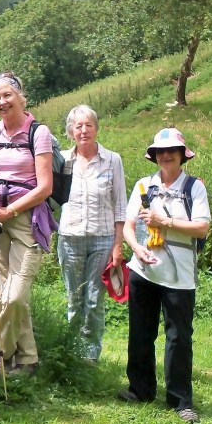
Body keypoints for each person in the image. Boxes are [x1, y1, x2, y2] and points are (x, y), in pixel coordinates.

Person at [0, 71, 58, 376]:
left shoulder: (39, 133)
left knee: (13, 296)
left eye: (7, 95)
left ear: (21, 97)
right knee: (9, 294)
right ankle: (28, 360)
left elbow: (45, 187)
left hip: (28, 221)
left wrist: (10, 211)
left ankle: (2, 358)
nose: (2, 102)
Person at [119, 127, 210, 424]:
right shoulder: (143, 185)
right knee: (140, 334)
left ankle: (181, 401)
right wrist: (136, 249)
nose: (166, 155)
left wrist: (165, 221)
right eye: (161, 151)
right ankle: (140, 390)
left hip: (180, 276)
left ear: (183, 155)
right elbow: (129, 227)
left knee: (179, 338)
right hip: (142, 270)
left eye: (172, 151)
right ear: (154, 156)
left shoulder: (194, 187)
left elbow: (202, 228)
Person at [57, 105, 127, 364]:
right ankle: (71, 354)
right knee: (74, 299)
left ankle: (91, 356)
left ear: (97, 128)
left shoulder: (112, 160)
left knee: (95, 300)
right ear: (70, 132)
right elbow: (51, 202)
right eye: (78, 126)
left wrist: (118, 246)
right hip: (70, 238)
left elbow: (120, 205)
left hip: (102, 239)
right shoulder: (62, 161)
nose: (84, 130)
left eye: (89, 125)